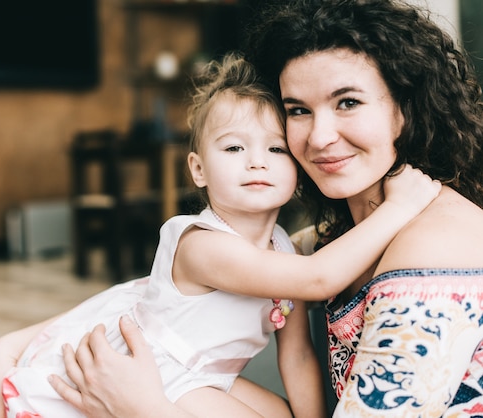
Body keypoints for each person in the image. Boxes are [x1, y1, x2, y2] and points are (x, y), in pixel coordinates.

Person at [46, 1, 483, 417]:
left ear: (405, 109)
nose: (319, 136)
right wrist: (14, 344)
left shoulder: (434, 253)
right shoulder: (336, 233)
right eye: (298, 110)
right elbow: (152, 291)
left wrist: (144, 411)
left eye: (347, 102)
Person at [0, 52, 439, 418]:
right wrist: (400, 207)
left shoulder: (282, 247)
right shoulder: (200, 244)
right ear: (198, 169)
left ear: (296, 170)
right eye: (234, 147)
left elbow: (296, 355)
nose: (256, 161)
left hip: (206, 374)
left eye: (276, 149)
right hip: (156, 369)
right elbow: (319, 280)